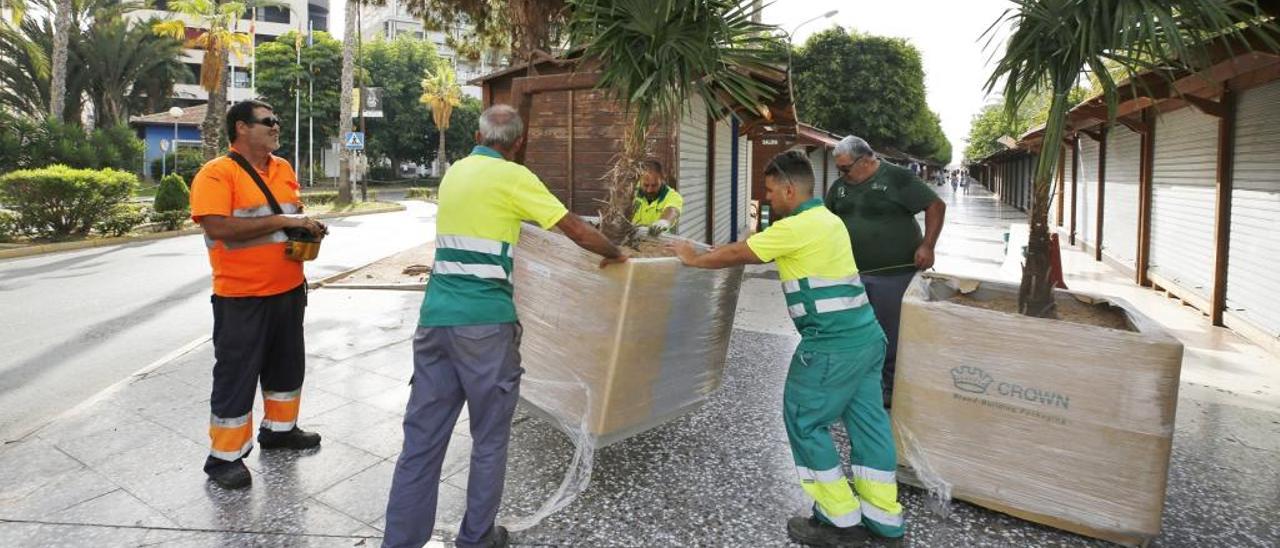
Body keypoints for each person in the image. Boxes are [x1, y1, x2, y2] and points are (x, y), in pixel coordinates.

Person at [382, 104, 628, 548]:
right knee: (489, 439)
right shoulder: (516, 178)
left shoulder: (454, 173)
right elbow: (572, 228)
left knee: (421, 442)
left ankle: (399, 542)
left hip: (435, 321)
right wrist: (615, 251)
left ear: (477, 134)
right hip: (484, 327)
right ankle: (476, 538)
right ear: (519, 141)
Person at [672, 151, 905, 546]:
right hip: (867, 340)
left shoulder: (797, 225)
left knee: (804, 420)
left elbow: (739, 254)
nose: (767, 199)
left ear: (789, 189)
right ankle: (884, 522)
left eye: (769, 191)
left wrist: (693, 259)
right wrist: (717, 247)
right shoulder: (828, 220)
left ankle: (839, 521)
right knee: (869, 426)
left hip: (830, 347)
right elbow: (752, 242)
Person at [189, 99, 329, 489]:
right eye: (268, 121)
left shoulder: (282, 168)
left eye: (277, 119)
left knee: (286, 368)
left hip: (287, 290)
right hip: (241, 297)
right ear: (241, 129)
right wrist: (286, 219)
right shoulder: (216, 174)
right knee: (237, 376)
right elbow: (219, 228)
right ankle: (224, 459)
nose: (276, 126)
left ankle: (280, 432)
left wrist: (306, 228)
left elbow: (286, 216)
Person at [826, 136, 945, 408]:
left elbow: (935, 205)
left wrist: (928, 245)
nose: (842, 174)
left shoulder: (898, 177)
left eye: (845, 168)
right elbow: (827, 220)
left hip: (893, 275)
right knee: (854, 330)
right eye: (839, 169)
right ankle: (856, 382)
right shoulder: (841, 187)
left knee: (889, 332)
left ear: (866, 160)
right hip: (850, 274)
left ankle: (890, 386)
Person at [631, 158, 683, 236]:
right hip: (632, 241)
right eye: (646, 185)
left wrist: (664, 222)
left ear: (662, 179)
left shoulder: (673, 196)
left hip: (659, 245)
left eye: (654, 185)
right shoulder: (631, 191)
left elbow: (672, 210)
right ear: (639, 179)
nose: (649, 190)